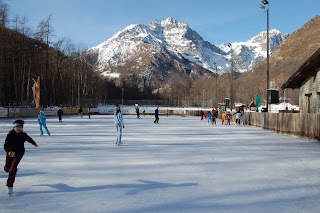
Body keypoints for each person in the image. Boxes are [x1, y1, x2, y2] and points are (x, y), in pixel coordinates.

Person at [3, 120, 38, 194]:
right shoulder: (10, 135)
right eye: (17, 127)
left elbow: (29, 139)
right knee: (7, 169)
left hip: (19, 153)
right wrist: (9, 151)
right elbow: (6, 145)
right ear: (14, 128)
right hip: (11, 153)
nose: (18, 129)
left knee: (12, 170)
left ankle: (10, 186)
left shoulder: (23, 135)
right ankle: (14, 169)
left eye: (20, 127)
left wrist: (34, 143)